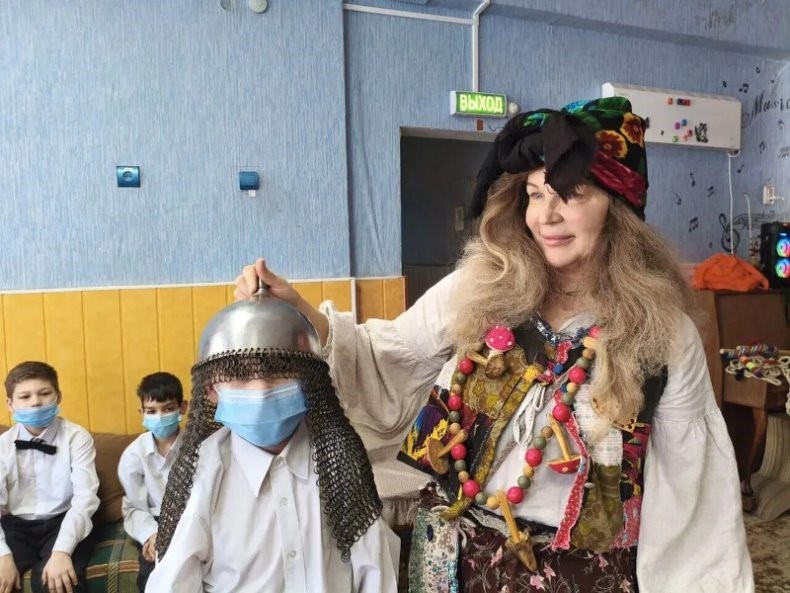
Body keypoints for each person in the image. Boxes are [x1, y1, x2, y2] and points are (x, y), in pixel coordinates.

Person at [235, 97, 754, 592]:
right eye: (535, 193)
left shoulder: (662, 333)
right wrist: (298, 309)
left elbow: (693, 496)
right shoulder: (482, 287)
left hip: (579, 578)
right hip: (450, 564)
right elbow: (386, 356)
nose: (546, 216)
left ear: (617, 207)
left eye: (571, 194)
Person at [147, 287, 400, 592]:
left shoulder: (339, 461)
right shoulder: (201, 473)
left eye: (278, 371)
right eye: (240, 375)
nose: (261, 389)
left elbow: (376, 574)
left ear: (309, 380)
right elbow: (172, 584)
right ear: (211, 391)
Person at [0, 361, 100, 593]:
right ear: (10, 404)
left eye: (44, 393)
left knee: (58, 584)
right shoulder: (3, 445)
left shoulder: (77, 437)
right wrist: (3, 555)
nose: (35, 402)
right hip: (16, 525)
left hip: (64, 520)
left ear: (58, 396)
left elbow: (85, 499)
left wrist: (61, 551)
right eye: (25, 396)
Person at [118, 372, 187, 593]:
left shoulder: (200, 447)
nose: (160, 416)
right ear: (142, 413)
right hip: (155, 521)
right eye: (152, 411)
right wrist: (152, 534)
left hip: (192, 518)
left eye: (168, 409)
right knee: (153, 576)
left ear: (183, 407)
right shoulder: (134, 455)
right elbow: (134, 507)